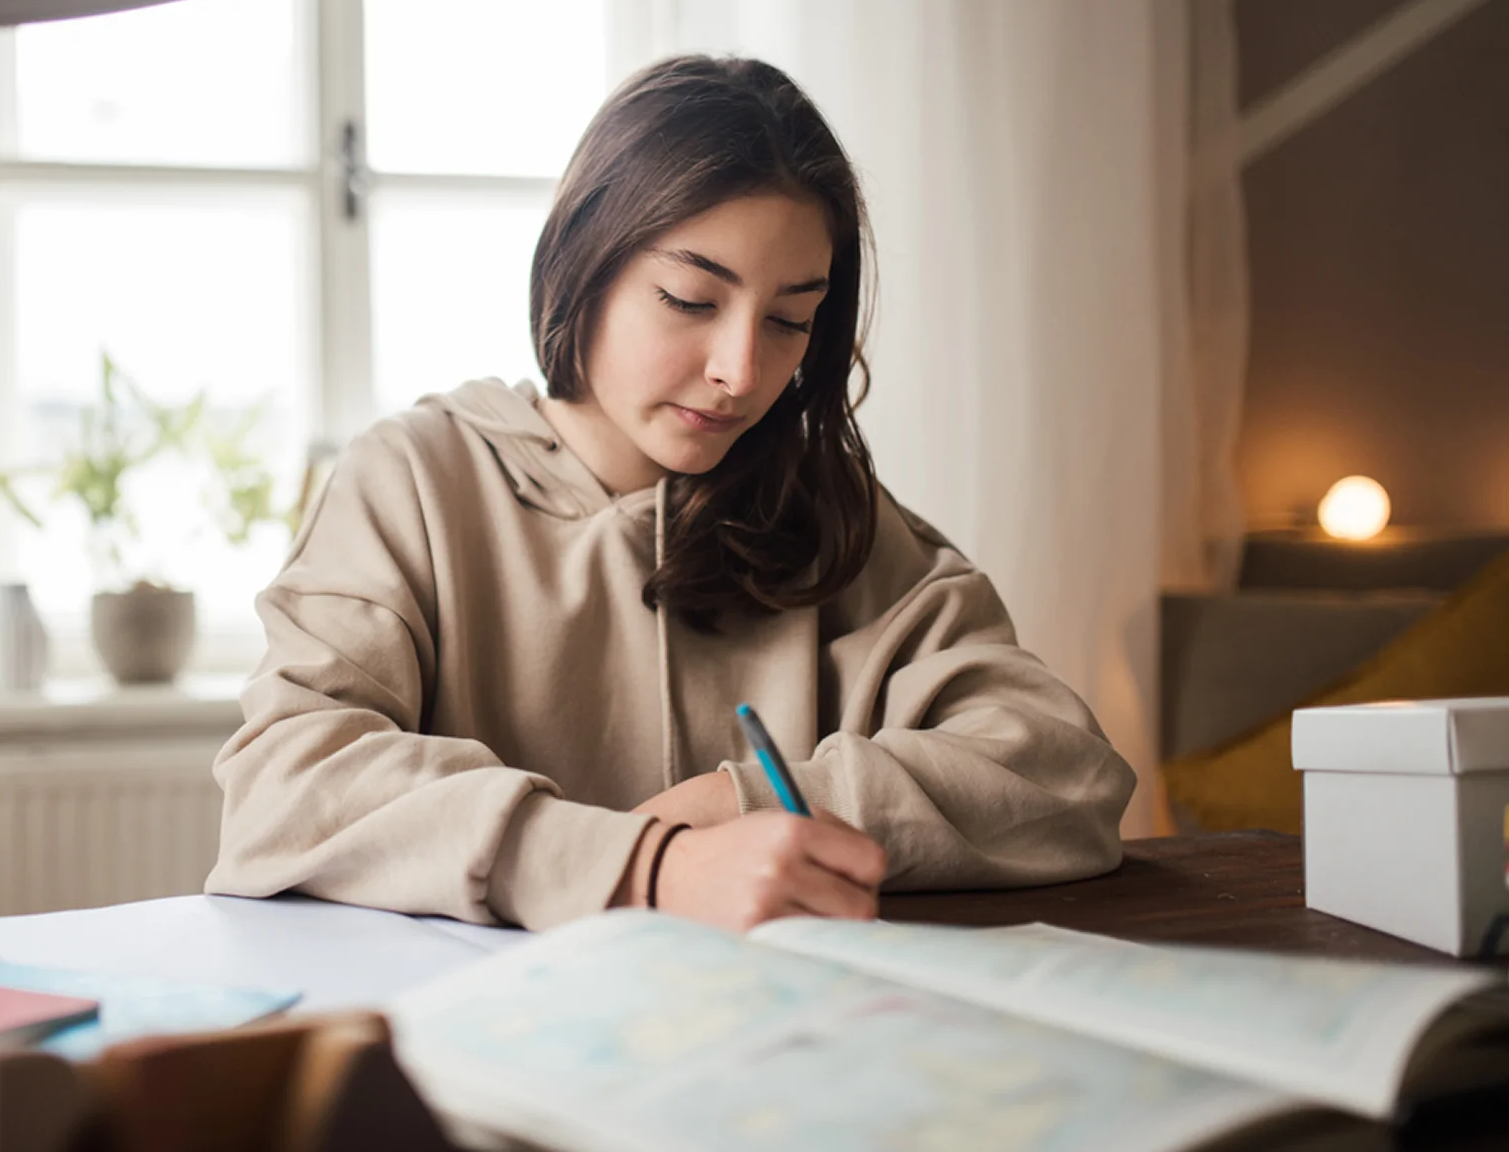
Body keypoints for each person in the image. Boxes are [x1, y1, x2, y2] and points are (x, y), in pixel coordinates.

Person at [207, 55, 1136, 933]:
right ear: (587, 260)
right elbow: (287, 784)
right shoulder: (413, 480)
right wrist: (645, 867)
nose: (740, 370)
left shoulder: (830, 513)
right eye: (692, 299)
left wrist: (747, 802)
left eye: (789, 320)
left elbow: (1064, 771)